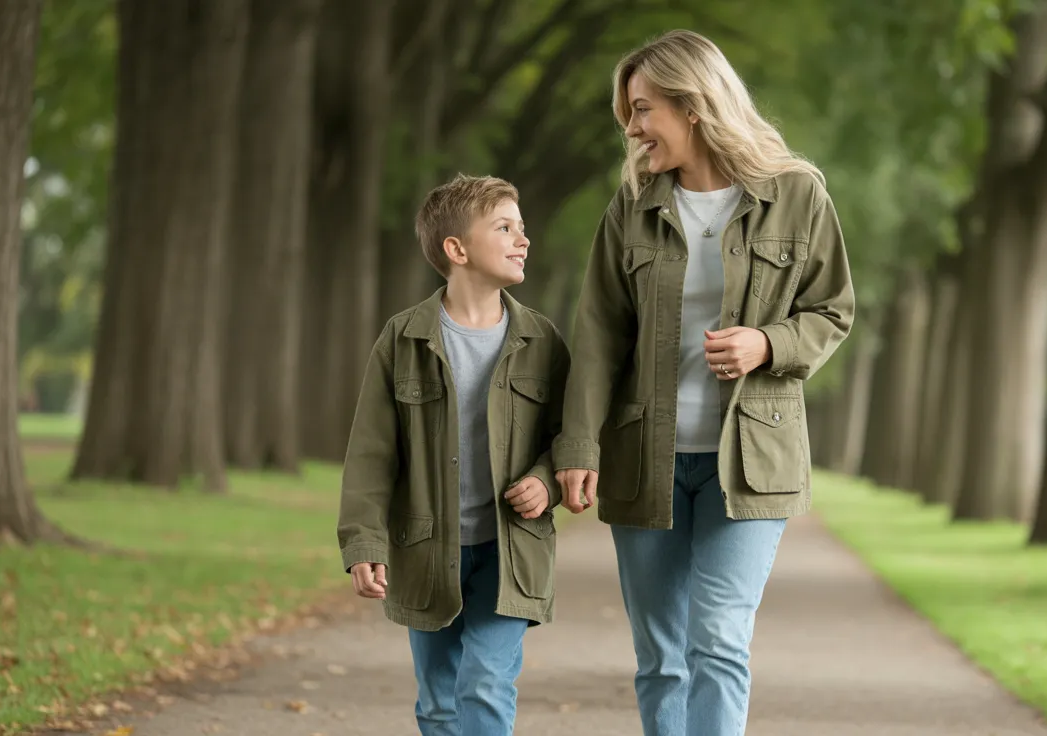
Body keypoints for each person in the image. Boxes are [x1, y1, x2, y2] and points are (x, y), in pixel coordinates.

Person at [551, 29, 855, 736]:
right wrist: (577, 447)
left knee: (716, 637)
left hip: (749, 464)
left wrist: (767, 342)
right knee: (661, 656)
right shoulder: (632, 205)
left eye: (644, 108)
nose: (632, 127)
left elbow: (832, 309)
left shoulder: (796, 194)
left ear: (694, 106)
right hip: (644, 458)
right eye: (629, 110)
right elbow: (598, 333)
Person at [337, 173, 569, 736]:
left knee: (485, 683)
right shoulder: (403, 340)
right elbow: (371, 453)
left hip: (511, 547)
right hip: (426, 549)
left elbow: (572, 436)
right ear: (456, 249)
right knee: (439, 702)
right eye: (505, 227)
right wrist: (363, 542)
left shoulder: (542, 341)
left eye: (523, 228)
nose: (523, 239)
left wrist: (548, 482)